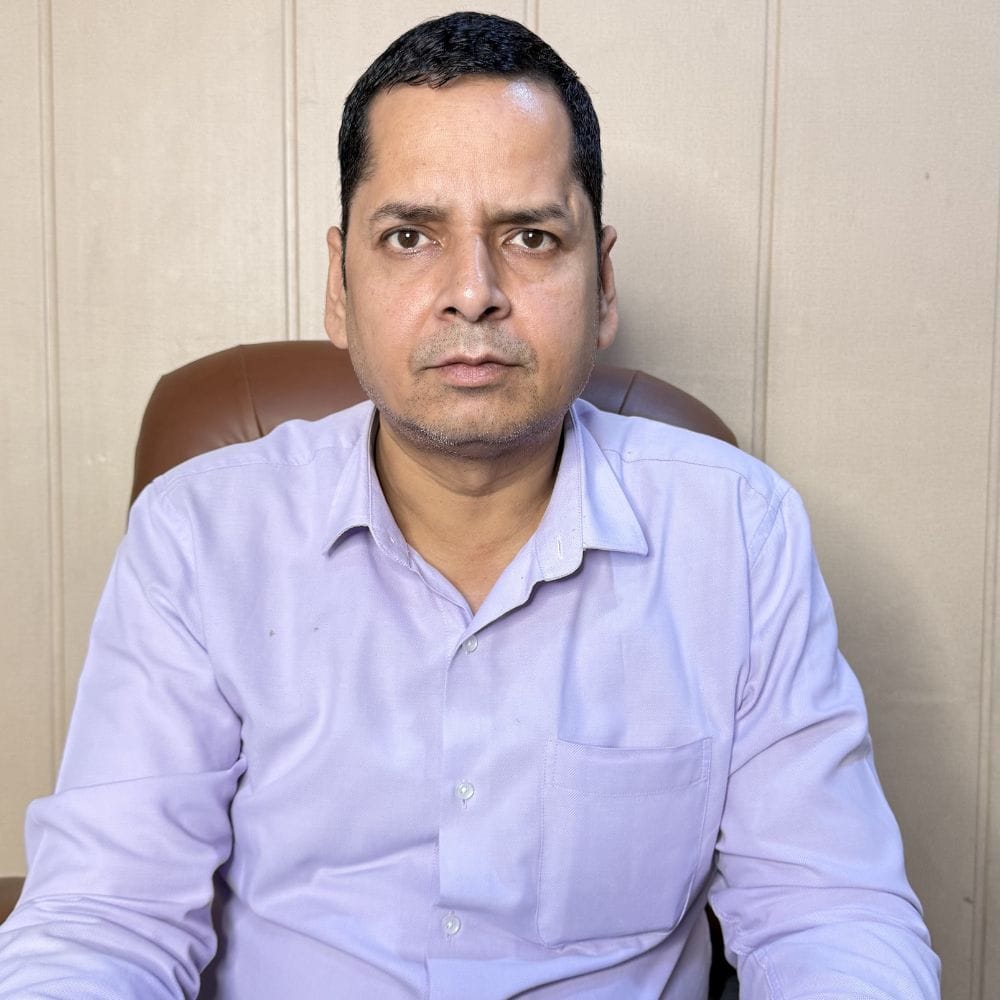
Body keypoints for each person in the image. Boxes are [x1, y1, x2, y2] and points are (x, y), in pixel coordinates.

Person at [0, 12, 939, 999]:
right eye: (410, 237)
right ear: (339, 285)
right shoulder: (202, 536)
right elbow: (106, 918)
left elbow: (827, 911)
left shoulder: (738, 534)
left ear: (602, 283)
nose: (473, 293)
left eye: (530, 236)